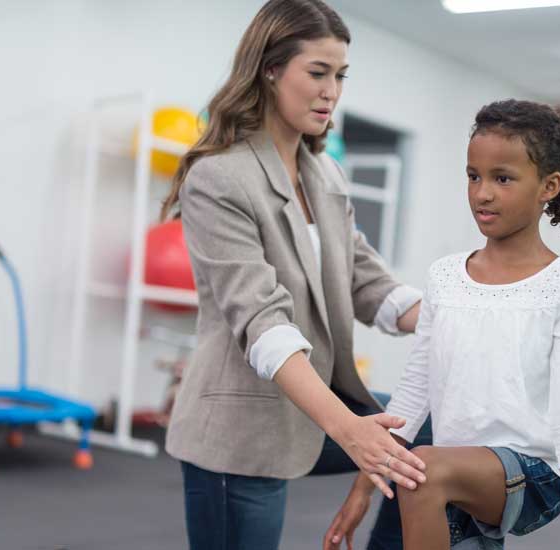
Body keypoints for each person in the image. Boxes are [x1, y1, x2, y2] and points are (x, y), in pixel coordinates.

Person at [162, 1, 432, 548]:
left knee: (428, 433)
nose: (332, 91)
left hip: (309, 404)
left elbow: (367, 282)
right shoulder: (219, 178)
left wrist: (458, 318)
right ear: (269, 69)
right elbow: (263, 322)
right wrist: (349, 428)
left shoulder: (324, 174)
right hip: (239, 432)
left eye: (340, 76)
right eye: (317, 73)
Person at [325, 98, 560, 550]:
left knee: (422, 469)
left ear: (549, 186)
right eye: (473, 175)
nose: (482, 193)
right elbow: (415, 388)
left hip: (534, 474)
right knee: (426, 469)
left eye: (503, 178)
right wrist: (362, 489)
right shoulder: (444, 276)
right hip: (456, 473)